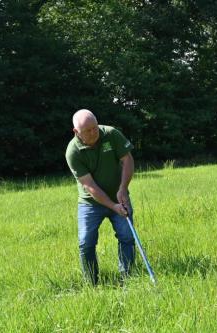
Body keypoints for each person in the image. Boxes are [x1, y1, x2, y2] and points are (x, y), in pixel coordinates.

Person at [65, 109, 135, 285]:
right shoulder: (73, 152)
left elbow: (127, 160)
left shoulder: (111, 134)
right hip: (90, 203)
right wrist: (113, 206)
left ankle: (128, 279)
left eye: (95, 127)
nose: (93, 132)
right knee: (86, 242)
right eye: (87, 130)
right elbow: (90, 186)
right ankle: (92, 283)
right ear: (76, 132)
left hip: (120, 196)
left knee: (127, 237)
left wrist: (123, 188)